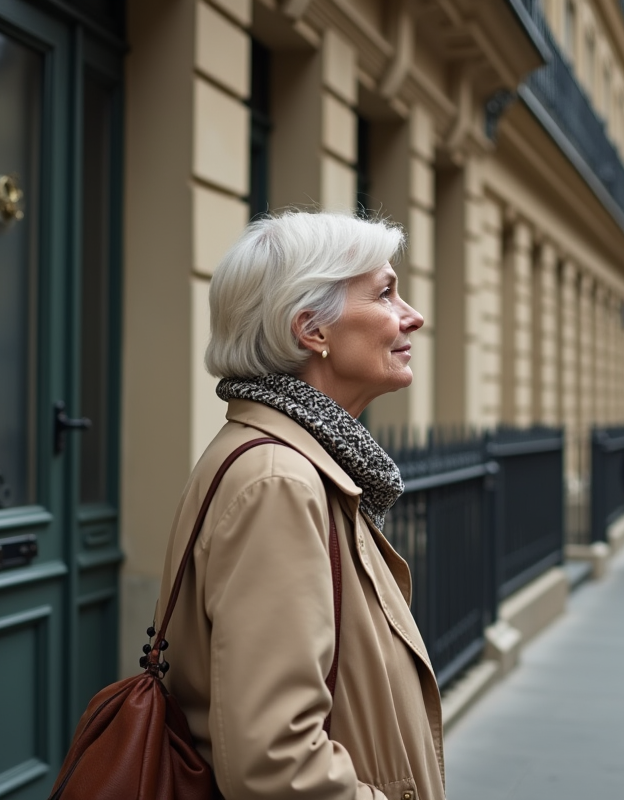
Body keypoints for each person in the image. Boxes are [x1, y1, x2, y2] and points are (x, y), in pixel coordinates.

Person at [155, 212, 444, 799]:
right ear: (313, 331)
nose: (413, 315)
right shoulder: (280, 480)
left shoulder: (296, 461)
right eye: (386, 292)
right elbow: (276, 764)